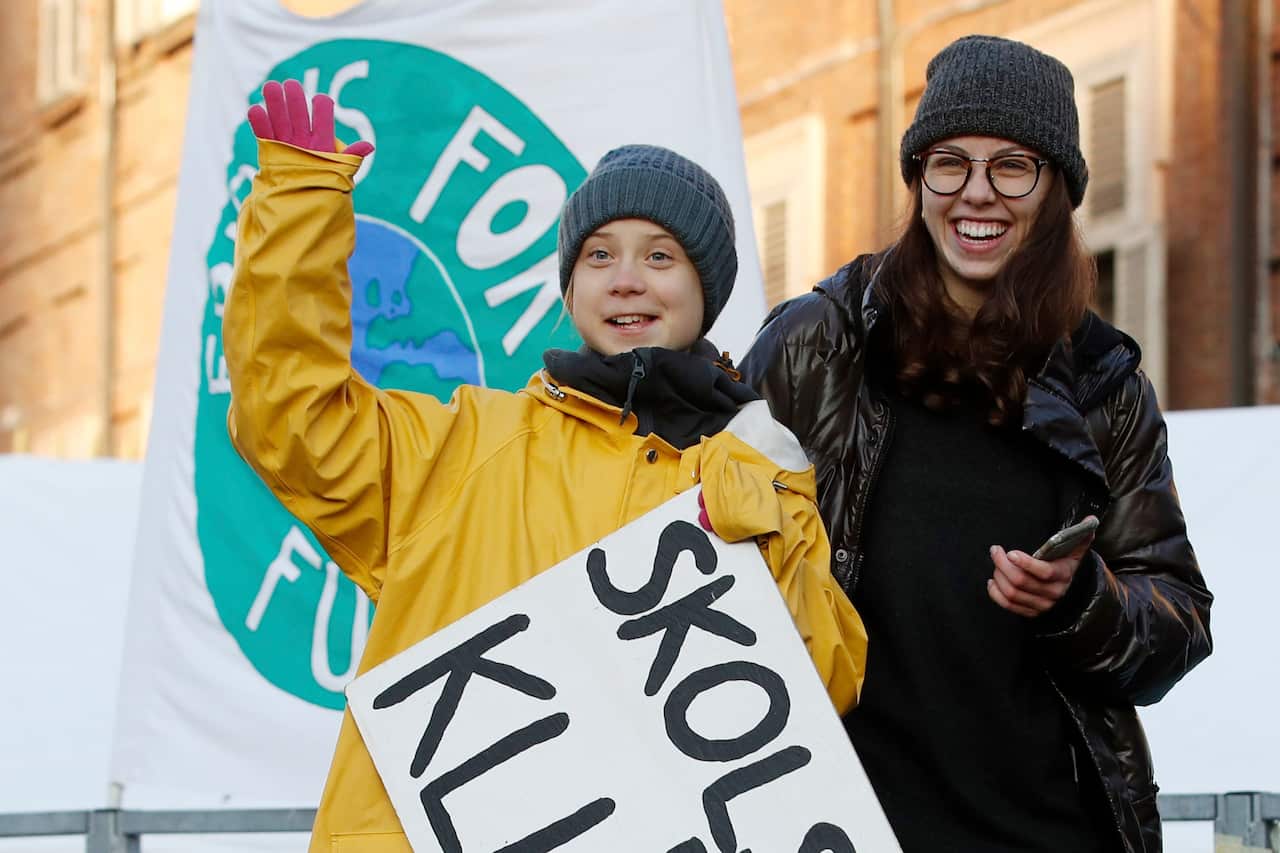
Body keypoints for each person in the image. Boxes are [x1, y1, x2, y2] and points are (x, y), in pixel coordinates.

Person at [225, 79, 868, 851]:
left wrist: (765, 525)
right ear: (571, 288)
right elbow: (289, 416)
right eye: (600, 255)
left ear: (708, 287)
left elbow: (820, 687)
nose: (625, 277)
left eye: (659, 255)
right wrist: (298, 205)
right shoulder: (462, 448)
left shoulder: (758, 467)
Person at [740, 35, 1213, 853]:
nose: (977, 194)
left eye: (1013, 165)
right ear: (918, 179)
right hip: (846, 828)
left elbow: (1177, 626)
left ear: (1056, 188)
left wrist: (1081, 600)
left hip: (1050, 833)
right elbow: (703, 538)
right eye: (949, 162)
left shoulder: (1107, 384)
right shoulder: (818, 342)